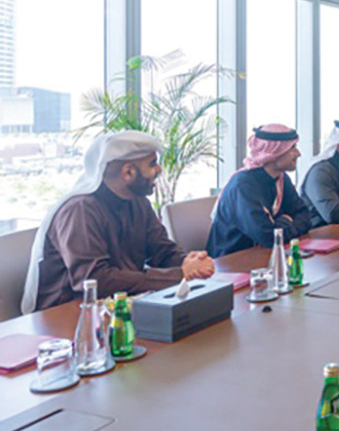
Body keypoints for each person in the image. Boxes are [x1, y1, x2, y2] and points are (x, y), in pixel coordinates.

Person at [21, 131, 215, 313]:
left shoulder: (138, 203)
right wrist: (180, 274)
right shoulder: (79, 210)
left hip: (118, 308)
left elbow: (161, 250)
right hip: (68, 317)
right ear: (128, 172)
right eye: (152, 164)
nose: (159, 170)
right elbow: (96, 281)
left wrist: (188, 262)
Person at [207, 124, 311, 258]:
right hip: (231, 260)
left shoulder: (281, 178)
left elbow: (305, 216)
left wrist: (280, 228)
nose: (298, 154)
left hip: (265, 254)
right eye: (292, 149)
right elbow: (267, 236)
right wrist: (287, 222)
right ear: (274, 152)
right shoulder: (243, 185)